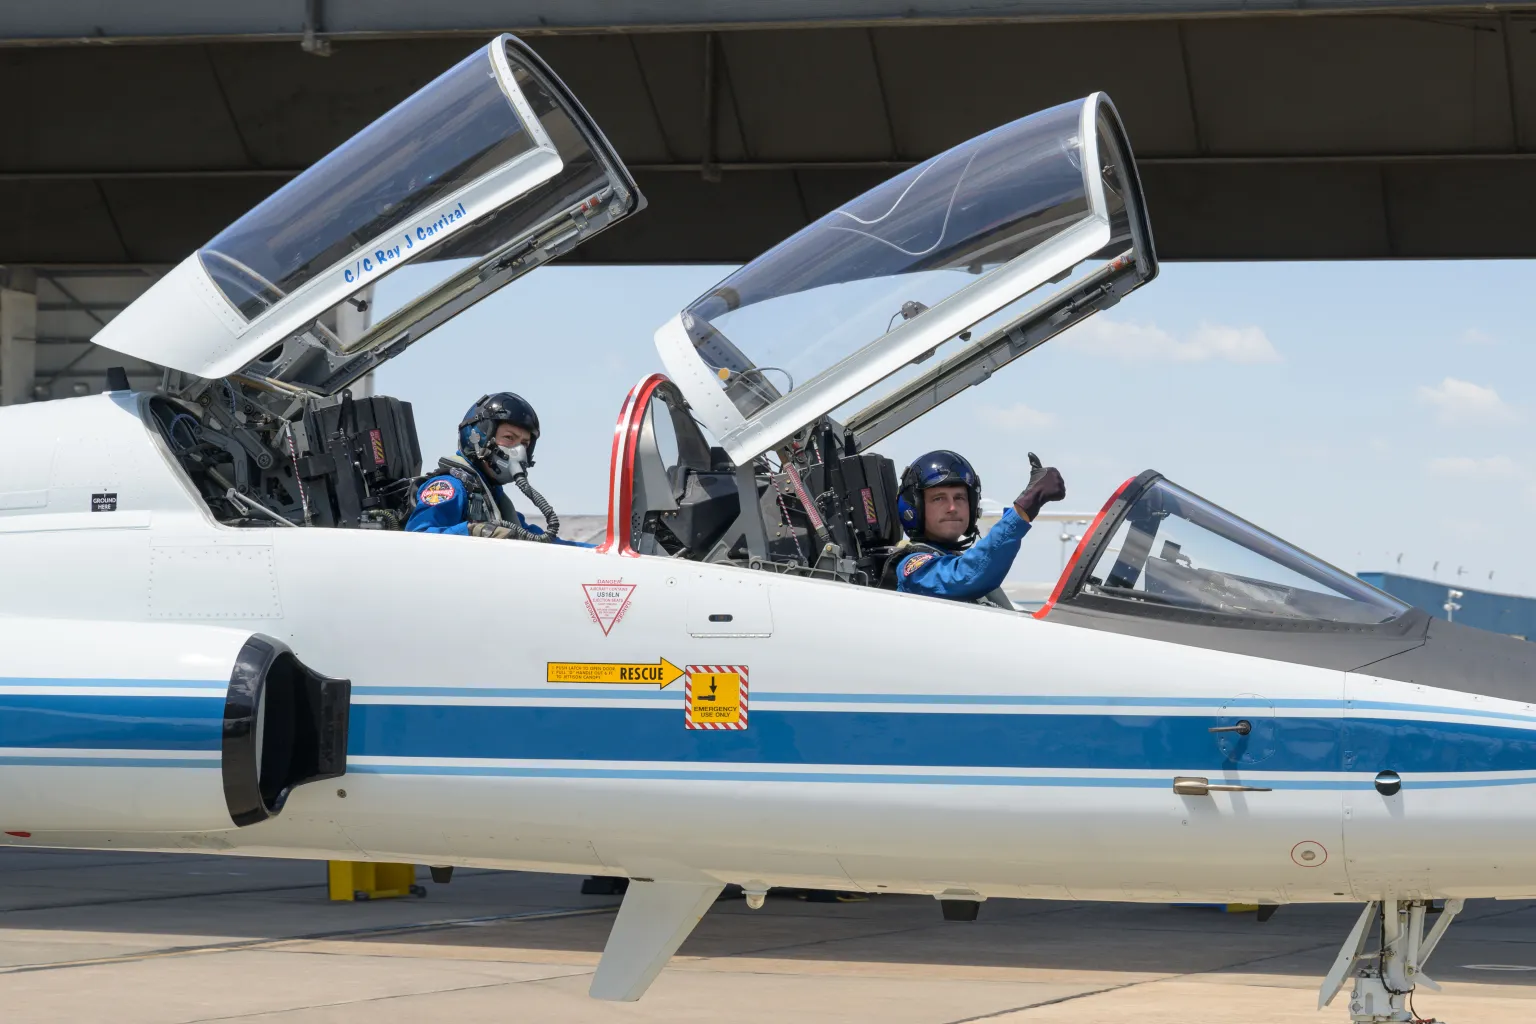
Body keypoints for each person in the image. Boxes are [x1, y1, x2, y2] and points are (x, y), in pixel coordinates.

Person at [882, 450, 1065, 605]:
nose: (952, 508)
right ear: (914, 508)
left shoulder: (958, 563)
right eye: (939, 499)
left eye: (960, 498)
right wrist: (1025, 507)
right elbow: (963, 577)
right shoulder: (913, 568)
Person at [405, 392, 586, 545]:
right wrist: (474, 531)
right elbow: (419, 539)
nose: (519, 451)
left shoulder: (491, 495)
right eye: (509, 438)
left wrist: (598, 551)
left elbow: (539, 540)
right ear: (478, 438)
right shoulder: (449, 486)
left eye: (524, 443)